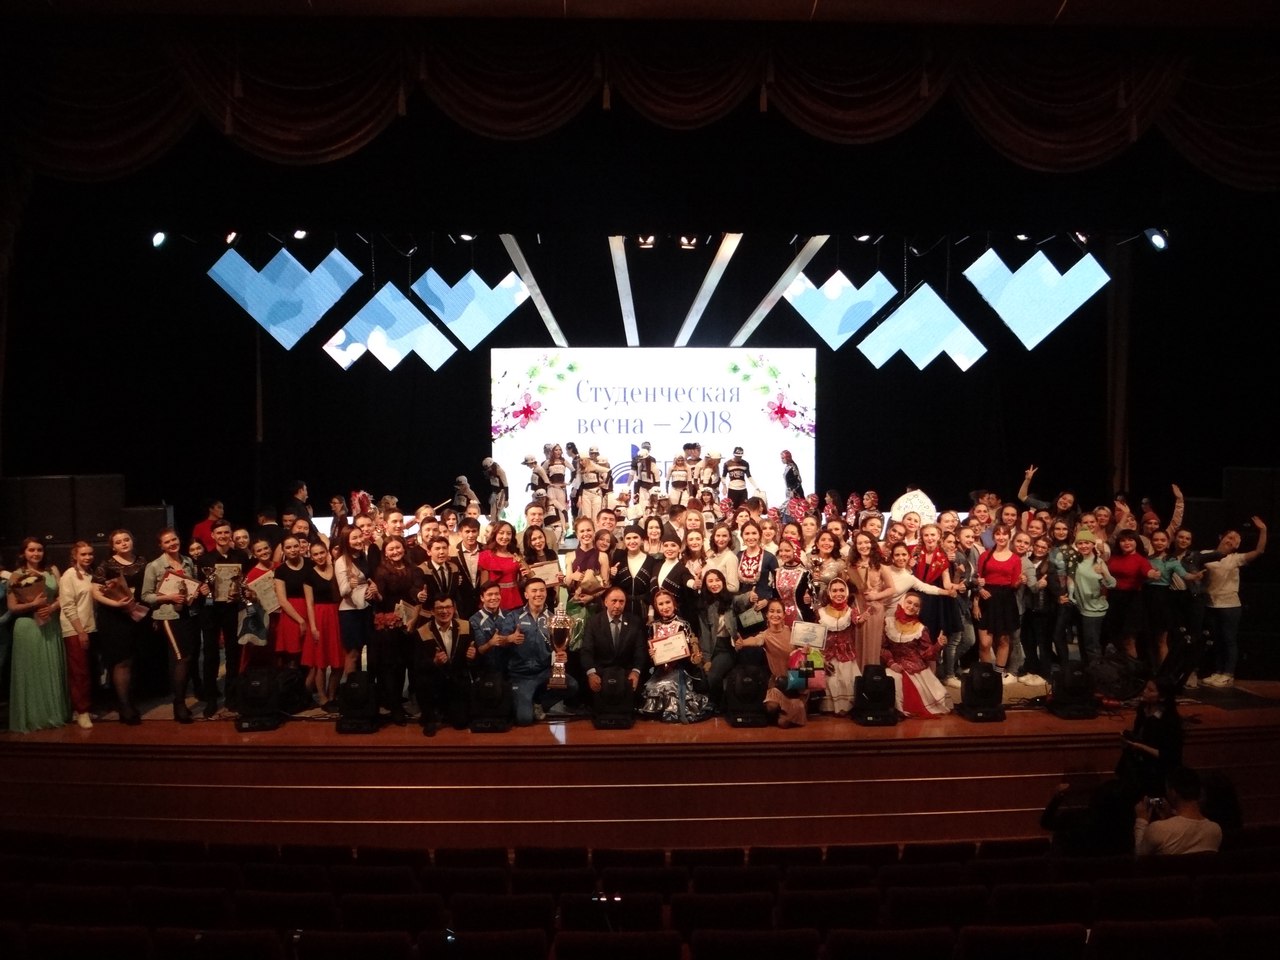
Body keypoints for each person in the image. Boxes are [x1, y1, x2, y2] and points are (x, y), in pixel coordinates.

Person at [141, 529, 205, 724]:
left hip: (190, 615)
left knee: (190, 657)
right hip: (169, 616)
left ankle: (181, 701)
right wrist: (167, 597)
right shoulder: (154, 566)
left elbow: (192, 586)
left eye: (174, 539)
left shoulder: (188, 561)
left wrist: (197, 591)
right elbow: (145, 596)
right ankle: (179, 704)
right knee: (181, 658)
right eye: (167, 542)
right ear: (161, 545)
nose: (172, 543)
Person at [7, 538, 69, 732]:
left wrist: (51, 608)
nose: (36, 553)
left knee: (50, 669)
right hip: (28, 626)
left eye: (39, 550)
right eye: (31, 550)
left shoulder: (52, 571)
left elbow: (63, 597)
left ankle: (53, 713)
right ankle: (34, 716)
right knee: (32, 671)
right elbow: (12, 607)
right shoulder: (16, 575)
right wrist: (33, 605)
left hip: (50, 623)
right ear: (23, 553)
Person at [1202, 516, 1267, 688]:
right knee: (1216, 639)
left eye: (1235, 540)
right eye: (1229, 537)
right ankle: (1218, 671)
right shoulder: (1206, 554)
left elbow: (1259, 551)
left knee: (1228, 639)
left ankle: (1228, 674)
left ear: (1237, 546)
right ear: (1221, 537)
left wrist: (1263, 530)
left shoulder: (1236, 559)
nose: (1231, 541)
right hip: (1210, 603)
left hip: (1230, 606)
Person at [92, 529, 149, 722]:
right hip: (114, 618)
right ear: (113, 546)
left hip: (137, 615)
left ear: (132, 541)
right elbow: (95, 592)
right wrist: (116, 604)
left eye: (126, 539)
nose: (124, 543)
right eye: (118, 542)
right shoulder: (106, 564)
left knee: (133, 660)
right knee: (121, 661)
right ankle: (124, 706)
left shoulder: (142, 561)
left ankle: (129, 700)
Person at [507, 577, 577, 723]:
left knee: (572, 685)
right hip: (521, 675)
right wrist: (509, 638)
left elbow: (558, 647)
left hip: (544, 672)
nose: (538, 594)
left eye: (542, 590)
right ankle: (525, 702)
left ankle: (539, 703)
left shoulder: (554, 619)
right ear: (526, 594)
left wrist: (561, 655)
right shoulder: (514, 616)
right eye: (534, 591)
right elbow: (500, 641)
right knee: (524, 720)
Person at [639, 587, 711, 723]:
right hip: (659, 670)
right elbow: (649, 653)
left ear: (674, 604)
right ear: (656, 607)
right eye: (660, 604)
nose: (665, 607)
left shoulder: (684, 624)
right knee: (652, 687)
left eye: (668, 602)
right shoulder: (652, 626)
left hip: (680, 669)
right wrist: (651, 654)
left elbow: (693, 653)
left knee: (669, 685)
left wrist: (692, 654)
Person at [881, 591, 951, 717]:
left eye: (916, 605)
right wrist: (891, 663)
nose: (911, 607)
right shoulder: (888, 622)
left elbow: (926, 654)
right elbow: (882, 647)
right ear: (902, 603)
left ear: (919, 609)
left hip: (915, 669)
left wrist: (938, 645)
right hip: (894, 665)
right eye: (909, 602)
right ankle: (895, 709)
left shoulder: (920, 629)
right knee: (892, 677)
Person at [414, 595, 475, 735]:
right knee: (422, 681)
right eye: (439, 608)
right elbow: (417, 664)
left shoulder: (465, 626)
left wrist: (472, 657)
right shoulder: (422, 631)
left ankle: (447, 711)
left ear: (453, 609)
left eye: (448, 607)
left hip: (457, 681)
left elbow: (472, 655)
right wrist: (434, 662)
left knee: (461, 723)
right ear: (432, 611)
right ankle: (431, 716)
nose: (444, 611)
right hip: (434, 682)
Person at [58, 542, 104, 729]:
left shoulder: (91, 575)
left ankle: (86, 707)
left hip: (91, 628)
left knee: (90, 670)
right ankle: (81, 711)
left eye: (90, 554)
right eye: (83, 554)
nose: (87, 557)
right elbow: (67, 606)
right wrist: (80, 631)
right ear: (75, 556)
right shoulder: (69, 576)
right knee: (79, 672)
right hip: (76, 629)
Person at [1118, 677, 1184, 800]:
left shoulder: (1170, 721)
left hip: (1158, 772)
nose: (1145, 691)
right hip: (1139, 767)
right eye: (1146, 688)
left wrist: (1141, 747)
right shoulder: (1143, 709)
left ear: (1162, 697)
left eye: (1150, 690)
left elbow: (1169, 756)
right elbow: (1139, 733)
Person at [580, 585, 646, 706]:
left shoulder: (635, 622)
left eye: (621, 602)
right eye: (614, 601)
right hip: (601, 671)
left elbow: (640, 650)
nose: (617, 605)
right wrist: (591, 674)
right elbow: (586, 650)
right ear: (605, 602)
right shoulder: (593, 622)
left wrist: (636, 672)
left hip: (626, 672)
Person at [1134, 766, 1222, 856]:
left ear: (1173, 792)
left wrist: (1141, 820)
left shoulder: (1158, 829)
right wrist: (1168, 818)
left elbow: (1139, 857)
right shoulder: (1215, 830)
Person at [302, 539, 342, 711]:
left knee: (338, 662)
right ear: (311, 556)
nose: (319, 556)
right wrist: (313, 627)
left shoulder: (337, 569)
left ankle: (332, 696)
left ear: (327, 552)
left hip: (337, 615)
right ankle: (323, 697)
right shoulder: (309, 575)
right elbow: (309, 603)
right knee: (320, 662)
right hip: (319, 617)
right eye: (315, 554)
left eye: (321, 553)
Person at [816, 577, 863, 715]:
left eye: (842, 590)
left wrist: (862, 620)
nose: (838, 593)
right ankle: (830, 708)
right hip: (828, 655)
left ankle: (846, 708)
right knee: (831, 681)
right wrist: (819, 657)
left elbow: (858, 621)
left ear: (846, 592)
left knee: (846, 680)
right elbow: (816, 636)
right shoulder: (820, 612)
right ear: (829, 593)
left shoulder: (851, 611)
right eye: (835, 590)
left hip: (845, 655)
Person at [758, 598, 807, 727]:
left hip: (795, 683)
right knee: (771, 707)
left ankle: (792, 709)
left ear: (784, 615)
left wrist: (806, 652)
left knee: (783, 723)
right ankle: (781, 710)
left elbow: (807, 653)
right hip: (778, 683)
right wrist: (742, 643)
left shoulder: (792, 631)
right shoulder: (765, 635)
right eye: (772, 611)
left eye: (778, 611)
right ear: (767, 615)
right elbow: (755, 640)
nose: (775, 614)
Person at [477, 521, 523, 613]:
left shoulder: (515, 554)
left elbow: (524, 578)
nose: (505, 537)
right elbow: (484, 585)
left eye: (508, 534)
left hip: (514, 598)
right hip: (494, 598)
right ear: (495, 534)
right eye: (501, 533)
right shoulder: (486, 555)